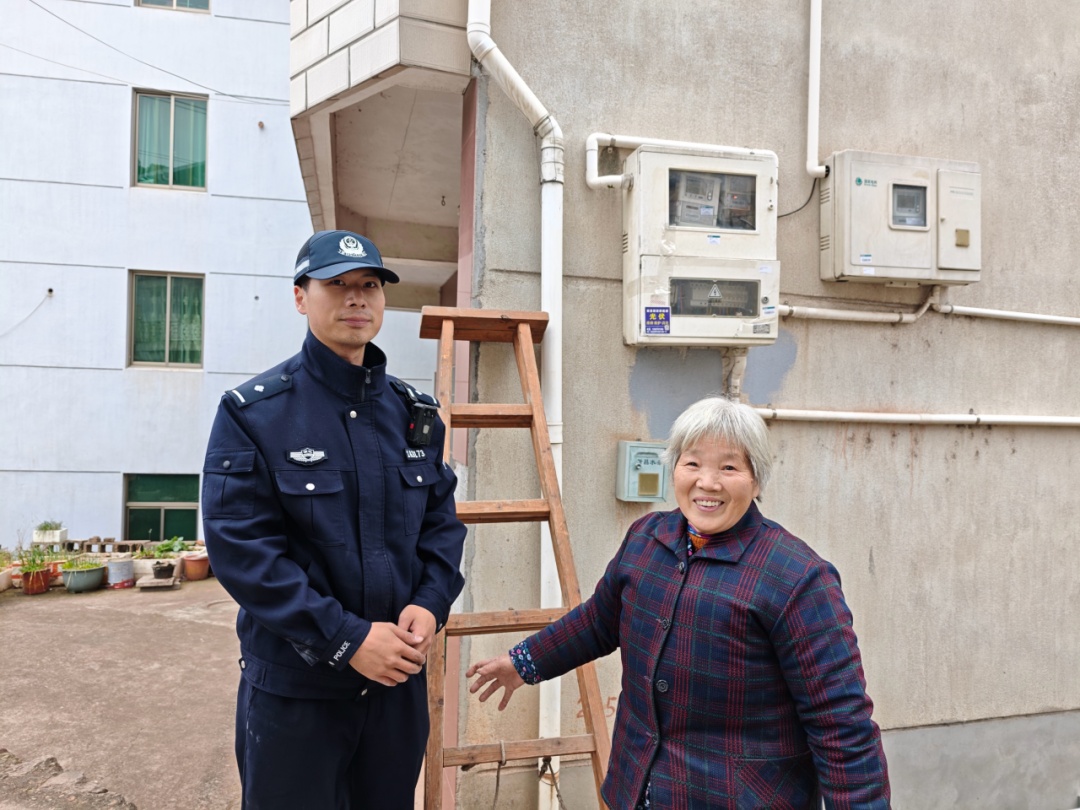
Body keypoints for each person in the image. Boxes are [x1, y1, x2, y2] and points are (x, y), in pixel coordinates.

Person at [468, 396, 890, 809]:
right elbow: (599, 621)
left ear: (756, 480)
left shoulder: (797, 578)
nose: (708, 483)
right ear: (675, 470)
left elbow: (840, 724)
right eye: (693, 463)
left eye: (729, 466)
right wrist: (524, 662)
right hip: (636, 789)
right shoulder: (647, 539)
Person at [202, 230, 467, 809]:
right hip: (299, 693)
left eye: (369, 286)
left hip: (395, 690)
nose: (356, 299)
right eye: (337, 285)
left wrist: (429, 601)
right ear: (301, 297)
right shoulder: (255, 414)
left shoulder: (414, 415)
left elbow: (441, 528)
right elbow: (242, 552)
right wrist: (347, 639)